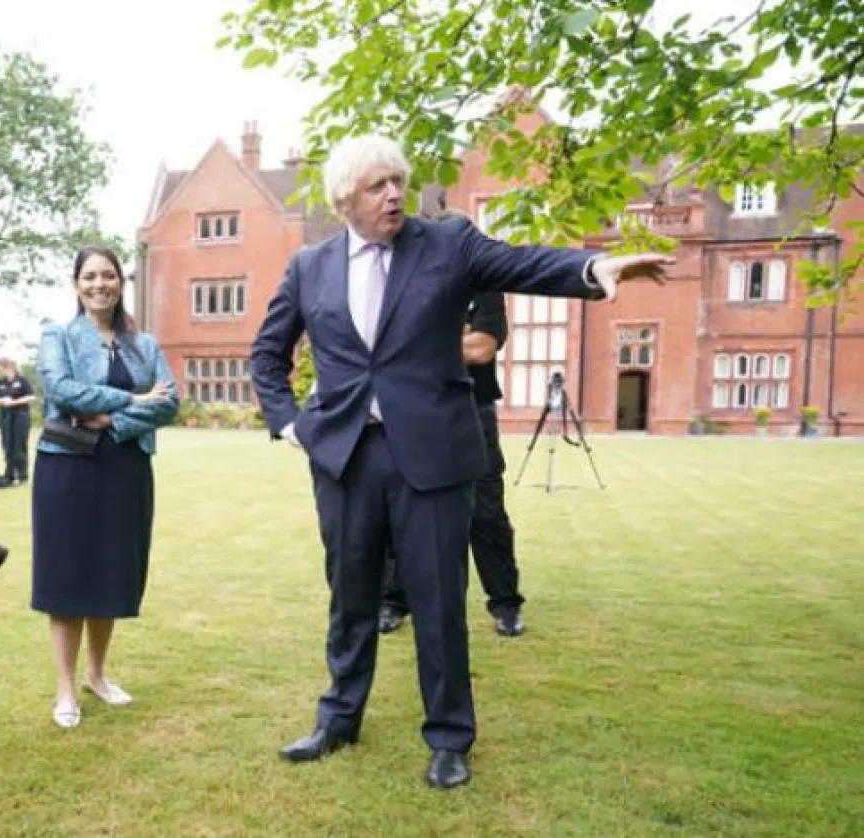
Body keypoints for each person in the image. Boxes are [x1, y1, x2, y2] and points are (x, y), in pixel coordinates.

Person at [250, 134, 672, 789]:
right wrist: (290, 426)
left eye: (398, 180)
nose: (394, 194)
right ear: (345, 200)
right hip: (346, 459)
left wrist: (593, 271)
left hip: (435, 454)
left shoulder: (447, 244)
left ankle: (449, 739)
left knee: (440, 599)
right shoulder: (311, 267)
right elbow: (267, 355)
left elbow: (521, 263)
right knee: (352, 594)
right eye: (377, 185)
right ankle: (338, 719)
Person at [32, 245, 179, 729]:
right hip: (68, 470)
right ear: (76, 284)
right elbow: (61, 390)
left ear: (121, 282)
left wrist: (110, 418)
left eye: (108, 275)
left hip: (126, 469)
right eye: (90, 276)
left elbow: (170, 402)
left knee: (111, 572)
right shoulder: (58, 335)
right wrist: (135, 397)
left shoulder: (146, 345)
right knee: (69, 576)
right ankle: (65, 689)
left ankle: (97, 675)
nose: (100, 284)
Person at [379, 282, 527, 639]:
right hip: (416, 410)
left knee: (486, 513)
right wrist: (453, 336)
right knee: (403, 508)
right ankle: (394, 600)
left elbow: (481, 350)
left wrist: (417, 342)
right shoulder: (405, 285)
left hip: (472, 410)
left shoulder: (483, 291)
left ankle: (506, 604)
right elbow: (381, 346)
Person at [0, 357, 35, 484]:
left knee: (19, 446)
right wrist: (2, 401)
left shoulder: (22, 381)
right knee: (7, 445)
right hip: (6, 417)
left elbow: (31, 396)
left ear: (8, 367)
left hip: (20, 416)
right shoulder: (1, 383)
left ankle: (22, 475)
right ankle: (9, 474)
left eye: (0, 367)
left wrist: (14, 402)